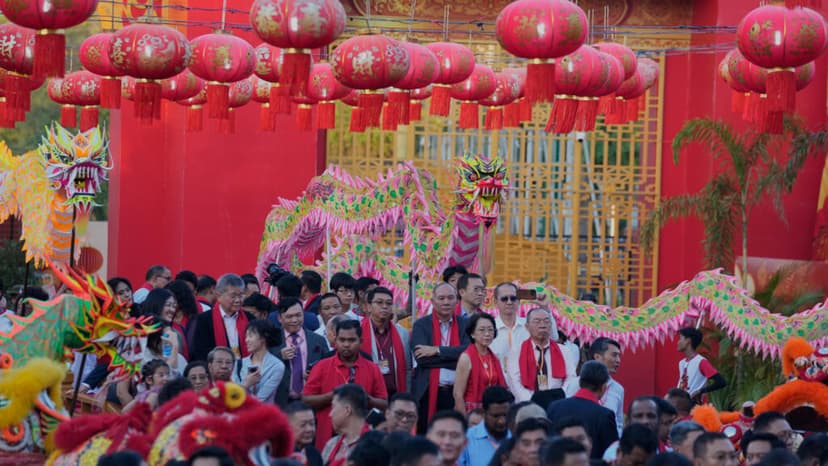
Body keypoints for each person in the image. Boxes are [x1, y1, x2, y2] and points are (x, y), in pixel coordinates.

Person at [303, 319, 388, 449]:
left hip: (361, 440)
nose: (346, 344)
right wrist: (335, 395)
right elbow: (306, 400)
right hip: (327, 435)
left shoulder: (372, 368)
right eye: (342, 340)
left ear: (361, 342)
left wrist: (366, 399)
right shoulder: (321, 366)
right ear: (335, 341)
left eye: (351, 340)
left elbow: (384, 404)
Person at [411, 282, 470, 433]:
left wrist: (437, 350)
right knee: (427, 436)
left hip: (459, 392)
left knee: (457, 434)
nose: (446, 302)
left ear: (457, 300)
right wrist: (456, 358)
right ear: (433, 301)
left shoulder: (466, 324)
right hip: (429, 391)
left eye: (450, 298)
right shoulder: (421, 325)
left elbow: (469, 354)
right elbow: (422, 359)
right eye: (441, 298)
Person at [547, 361, 618, 461]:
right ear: (604, 388)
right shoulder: (604, 415)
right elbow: (611, 455)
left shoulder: (554, 407)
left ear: (580, 383)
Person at [507, 307, 576, 408]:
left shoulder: (564, 350)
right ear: (527, 327)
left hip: (558, 403)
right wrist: (532, 402)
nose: (542, 325)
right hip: (528, 405)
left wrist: (561, 398)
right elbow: (515, 382)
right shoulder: (517, 351)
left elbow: (571, 377)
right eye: (537, 322)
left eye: (546, 321)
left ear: (551, 325)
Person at [274, 297, 328, 403]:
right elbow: (262, 367)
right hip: (281, 402)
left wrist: (316, 375)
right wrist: (279, 356)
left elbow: (328, 368)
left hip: (310, 400)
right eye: (289, 316)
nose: (294, 320)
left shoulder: (318, 340)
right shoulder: (272, 340)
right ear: (280, 318)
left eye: (298, 315)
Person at [189, 274, 253, 361]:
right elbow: (200, 352)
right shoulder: (204, 320)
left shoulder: (250, 319)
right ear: (219, 295)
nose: (238, 300)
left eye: (241, 295)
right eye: (233, 296)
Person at [361, 287, 411, 397]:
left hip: (396, 393)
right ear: (368, 307)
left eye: (389, 303)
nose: (384, 306)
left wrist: (406, 395)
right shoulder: (358, 331)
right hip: (368, 395)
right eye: (379, 302)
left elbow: (408, 369)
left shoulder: (403, 333)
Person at [454, 313, 507, 414]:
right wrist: (464, 420)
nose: (487, 334)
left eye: (490, 330)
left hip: (492, 411)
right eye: (482, 330)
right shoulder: (466, 357)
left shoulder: (493, 357)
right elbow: (458, 394)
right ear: (472, 334)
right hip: (472, 410)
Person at [232, 319, 285, 403]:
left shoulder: (277, 366)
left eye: (250, 336)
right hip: (239, 414)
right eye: (246, 336)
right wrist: (247, 384)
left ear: (263, 338)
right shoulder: (238, 364)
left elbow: (259, 400)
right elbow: (233, 396)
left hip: (264, 414)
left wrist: (244, 388)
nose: (246, 340)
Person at [460, 386, 514, 466]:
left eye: (505, 415)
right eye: (496, 416)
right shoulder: (466, 439)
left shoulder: (517, 438)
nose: (501, 421)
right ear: (484, 412)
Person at [322, 384, 373, 466]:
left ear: (347, 410)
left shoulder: (375, 445)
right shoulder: (332, 444)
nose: (330, 414)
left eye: (333, 407)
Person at [676, 327, 726, 403]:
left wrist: (700, 391)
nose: (678, 342)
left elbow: (721, 382)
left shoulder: (701, 362)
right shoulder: (681, 363)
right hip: (681, 404)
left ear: (688, 341)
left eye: (680, 338)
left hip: (694, 406)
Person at [589, 337, 625, 436]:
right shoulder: (576, 384)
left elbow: (619, 423)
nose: (618, 360)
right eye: (614, 355)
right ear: (597, 357)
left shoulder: (618, 389)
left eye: (619, 356)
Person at [489, 282, 529, 371]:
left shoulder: (529, 325)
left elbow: (553, 338)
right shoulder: (489, 328)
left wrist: (545, 307)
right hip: (498, 382)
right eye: (504, 299)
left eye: (513, 298)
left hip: (527, 381)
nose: (509, 302)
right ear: (495, 302)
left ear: (518, 301)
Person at [286, 401, 324, 466]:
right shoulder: (279, 455)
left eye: (312, 424)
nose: (309, 429)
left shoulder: (314, 454)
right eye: (303, 425)